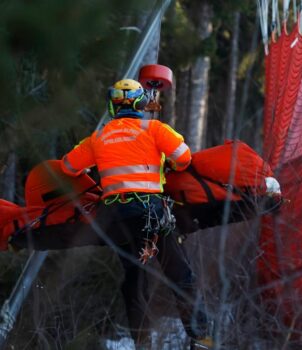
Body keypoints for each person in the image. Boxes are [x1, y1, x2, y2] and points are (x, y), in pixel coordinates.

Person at [59, 79, 210, 347]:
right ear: (140, 104)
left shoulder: (99, 137)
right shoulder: (154, 128)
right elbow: (184, 158)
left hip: (117, 218)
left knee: (134, 281)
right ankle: (200, 337)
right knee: (180, 274)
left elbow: (68, 166)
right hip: (152, 212)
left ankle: (142, 343)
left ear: (113, 105)